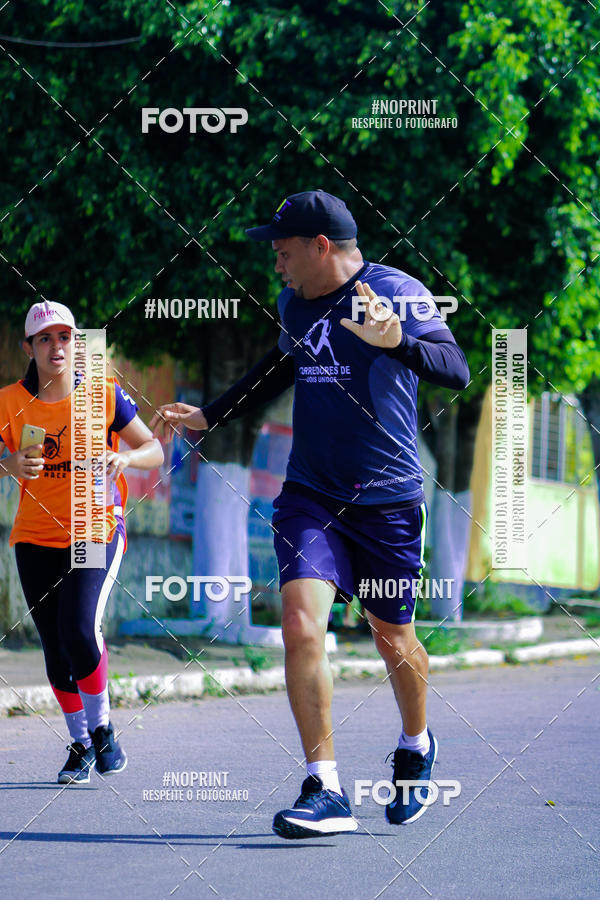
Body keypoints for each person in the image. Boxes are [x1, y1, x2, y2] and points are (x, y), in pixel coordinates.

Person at [151, 190, 469, 837]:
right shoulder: (295, 302)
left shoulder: (394, 291)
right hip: (311, 497)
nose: (276, 260)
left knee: (392, 638)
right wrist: (211, 413)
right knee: (300, 625)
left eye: (284, 248)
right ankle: (325, 787)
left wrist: (399, 340)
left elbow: (455, 368)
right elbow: (280, 365)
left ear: (321, 246)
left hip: (386, 503)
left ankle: (417, 744)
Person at [0, 301, 164, 783]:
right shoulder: (9, 401)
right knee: (53, 646)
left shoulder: (103, 395)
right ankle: (79, 744)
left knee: (77, 626)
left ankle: (104, 730)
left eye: (66, 337)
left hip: (94, 528)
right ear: (28, 348)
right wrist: (8, 465)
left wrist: (126, 462)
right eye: (45, 339)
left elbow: (152, 448)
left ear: (77, 343)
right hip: (33, 536)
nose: (57, 346)